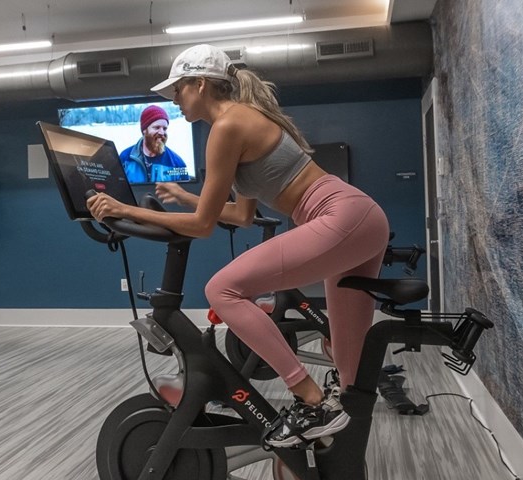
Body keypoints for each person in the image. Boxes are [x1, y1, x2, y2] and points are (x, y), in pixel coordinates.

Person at [87, 44, 390, 448]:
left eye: (178, 90)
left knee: (222, 289)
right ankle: (344, 457)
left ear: (200, 84)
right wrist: (186, 196)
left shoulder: (226, 127)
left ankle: (309, 397)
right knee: (348, 367)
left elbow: (202, 227)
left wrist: (127, 209)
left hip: (341, 217)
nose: (174, 100)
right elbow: (240, 215)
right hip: (361, 219)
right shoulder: (241, 120)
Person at [119, 104, 191, 183]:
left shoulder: (177, 163)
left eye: (164, 128)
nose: (161, 132)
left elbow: (185, 192)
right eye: (157, 127)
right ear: (144, 130)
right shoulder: (125, 158)